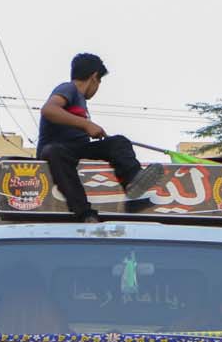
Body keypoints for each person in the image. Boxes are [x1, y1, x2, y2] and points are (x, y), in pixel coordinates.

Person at [38, 53, 160, 222]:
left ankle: (133, 184)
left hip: (77, 149)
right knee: (55, 152)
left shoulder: (81, 101)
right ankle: (83, 212)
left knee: (118, 142)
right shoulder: (68, 88)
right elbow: (49, 110)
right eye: (99, 82)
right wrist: (87, 125)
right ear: (94, 77)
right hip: (58, 149)